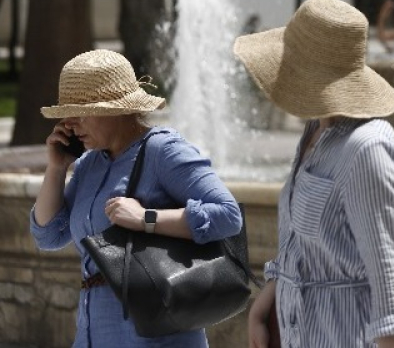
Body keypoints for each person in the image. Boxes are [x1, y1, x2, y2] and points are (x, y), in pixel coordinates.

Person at [236, 0, 394, 348]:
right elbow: (304, 245)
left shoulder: (366, 149)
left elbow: (392, 293)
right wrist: (266, 301)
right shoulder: (315, 133)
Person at [31, 49, 243, 347]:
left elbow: (228, 215)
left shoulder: (162, 150)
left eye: (81, 111)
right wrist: (56, 168)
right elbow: (48, 235)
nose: (70, 122)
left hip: (157, 335)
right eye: (67, 112)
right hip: (94, 333)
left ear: (115, 109)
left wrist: (147, 219)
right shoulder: (89, 164)